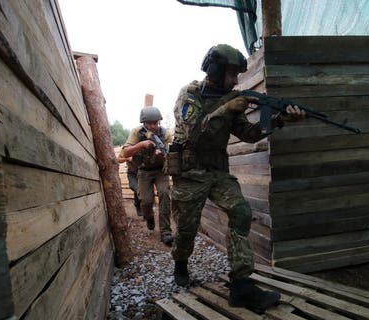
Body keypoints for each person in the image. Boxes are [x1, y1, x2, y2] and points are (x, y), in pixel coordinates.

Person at [166, 44, 305, 313]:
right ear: (215, 70)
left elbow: (249, 134)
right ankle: (180, 263)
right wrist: (226, 109)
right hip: (189, 172)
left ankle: (241, 285)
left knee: (241, 212)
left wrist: (277, 120)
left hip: (217, 171)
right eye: (231, 74)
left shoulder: (232, 98)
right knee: (186, 229)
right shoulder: (190, 95)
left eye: (238, 76)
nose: (235, 81)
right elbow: (194, 134)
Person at [121, 106, 174, 245]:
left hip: (160, 171)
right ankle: (149, 217)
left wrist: (162, 156)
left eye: (155, 123)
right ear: (143, 123)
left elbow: (171, 156)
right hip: (144, 171)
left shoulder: (165, 134)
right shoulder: (136, 133)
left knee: (164, 195)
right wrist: (142, 144)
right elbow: (125, 153)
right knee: (145, 201)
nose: (152, 126)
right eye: (149, 123)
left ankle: (166, 232)